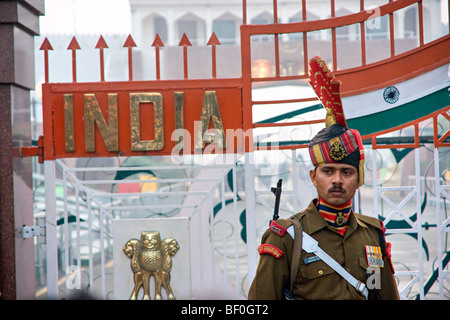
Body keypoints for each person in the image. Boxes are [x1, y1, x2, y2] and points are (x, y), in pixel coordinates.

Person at [248, 57, 399, 300]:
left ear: (359, 178)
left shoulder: (372, 234)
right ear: (313, 177)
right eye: (328, 171)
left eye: (346, 172)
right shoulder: (286, 237)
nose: (337, 180)